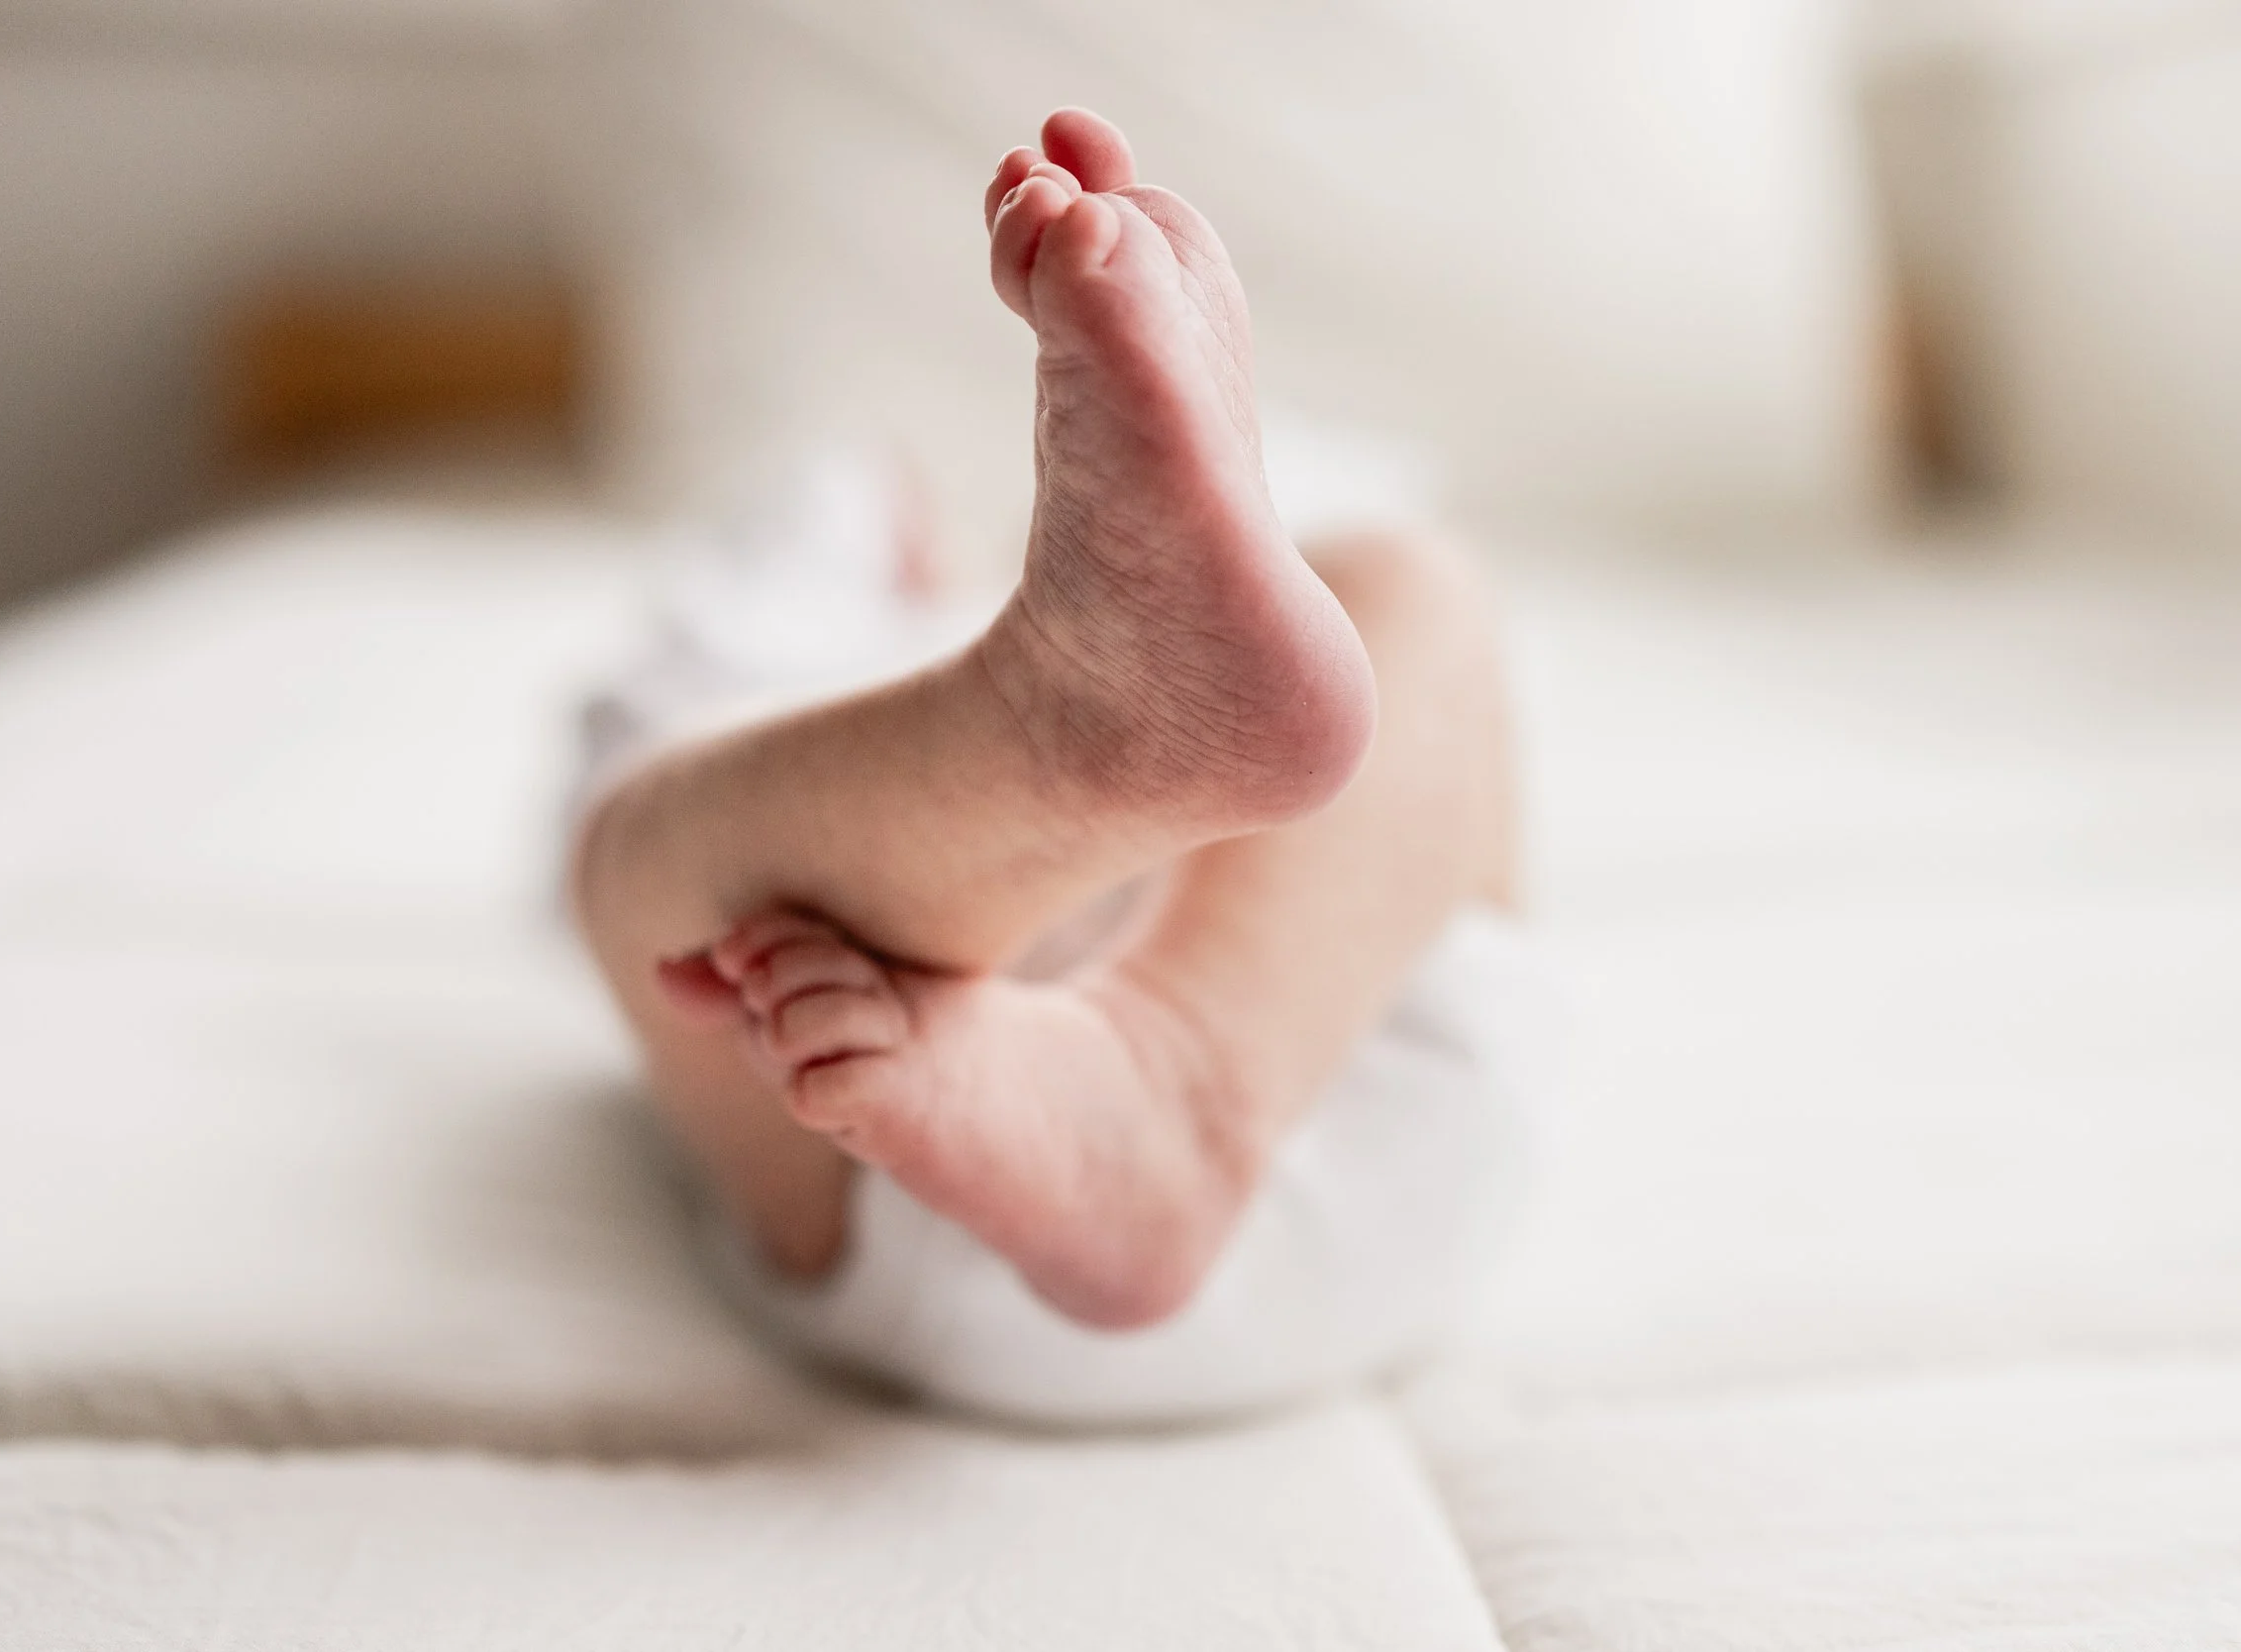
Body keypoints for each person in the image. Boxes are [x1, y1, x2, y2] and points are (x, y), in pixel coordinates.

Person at [570, 107, 1525, 1423]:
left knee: (642, 854)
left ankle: (1177, 1055)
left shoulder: (771, 617)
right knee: (1420, 595)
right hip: (1355, 1143)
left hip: (953, 1162)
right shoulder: (797, 606)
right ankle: (1168, 1047)